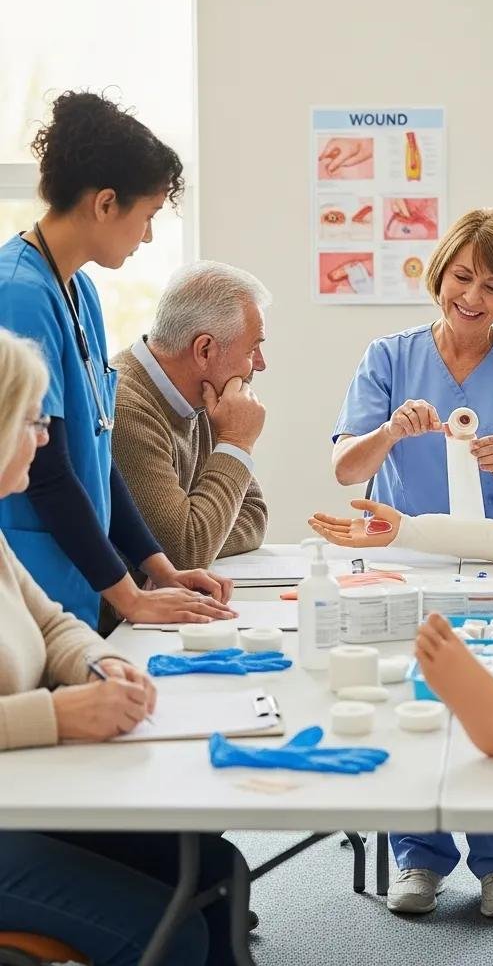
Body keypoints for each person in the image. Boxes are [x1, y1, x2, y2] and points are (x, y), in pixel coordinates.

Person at [331, 207, 493, 918]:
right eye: (462, 277)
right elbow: (347, 470)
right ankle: (420, 857)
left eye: (492, 287)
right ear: (440, 274)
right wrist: (387, 431)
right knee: (417, 700)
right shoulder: (389, 358)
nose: (472, 297)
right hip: (411, 559)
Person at [0, 328, 238, 965]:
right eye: (33, 423)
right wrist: (60, 715)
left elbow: (51, 623)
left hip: (18, 790)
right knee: (179, 930)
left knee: (218, 871)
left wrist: (99, 662)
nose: (48, 440)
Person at [0, 91, 235, 631]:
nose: (148, 234)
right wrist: (132, 598)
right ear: (106, 203)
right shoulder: (20, 295)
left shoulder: (78, 289)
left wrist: (161, 568)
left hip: (77, 591)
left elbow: (97, 452)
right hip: (33, 593)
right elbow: (47, 469)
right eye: (148, 214)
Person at [110, 260, 270, 571]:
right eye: (253, 350)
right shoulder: (127, 407)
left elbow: (254, 514)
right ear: (204, 350)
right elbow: (185, 552)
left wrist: (202, 534)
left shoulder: (204, 396)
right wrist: (236, 442)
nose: (261, 364)